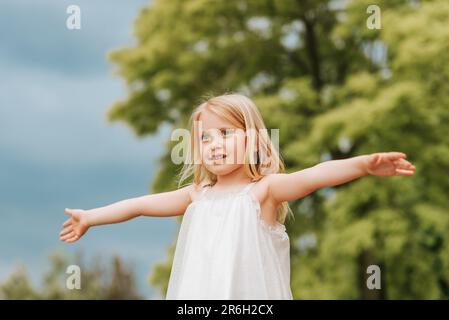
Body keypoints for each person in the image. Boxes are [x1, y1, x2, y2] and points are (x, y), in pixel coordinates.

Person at [59, 93, 416, 299]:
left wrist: (364, 165)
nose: (214, 145)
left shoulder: (264, 192)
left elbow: (314, 177)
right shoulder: (197, 195)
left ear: (253, 138)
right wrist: (91, 216)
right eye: (204, 139)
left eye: (225, 133)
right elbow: (138, 206)